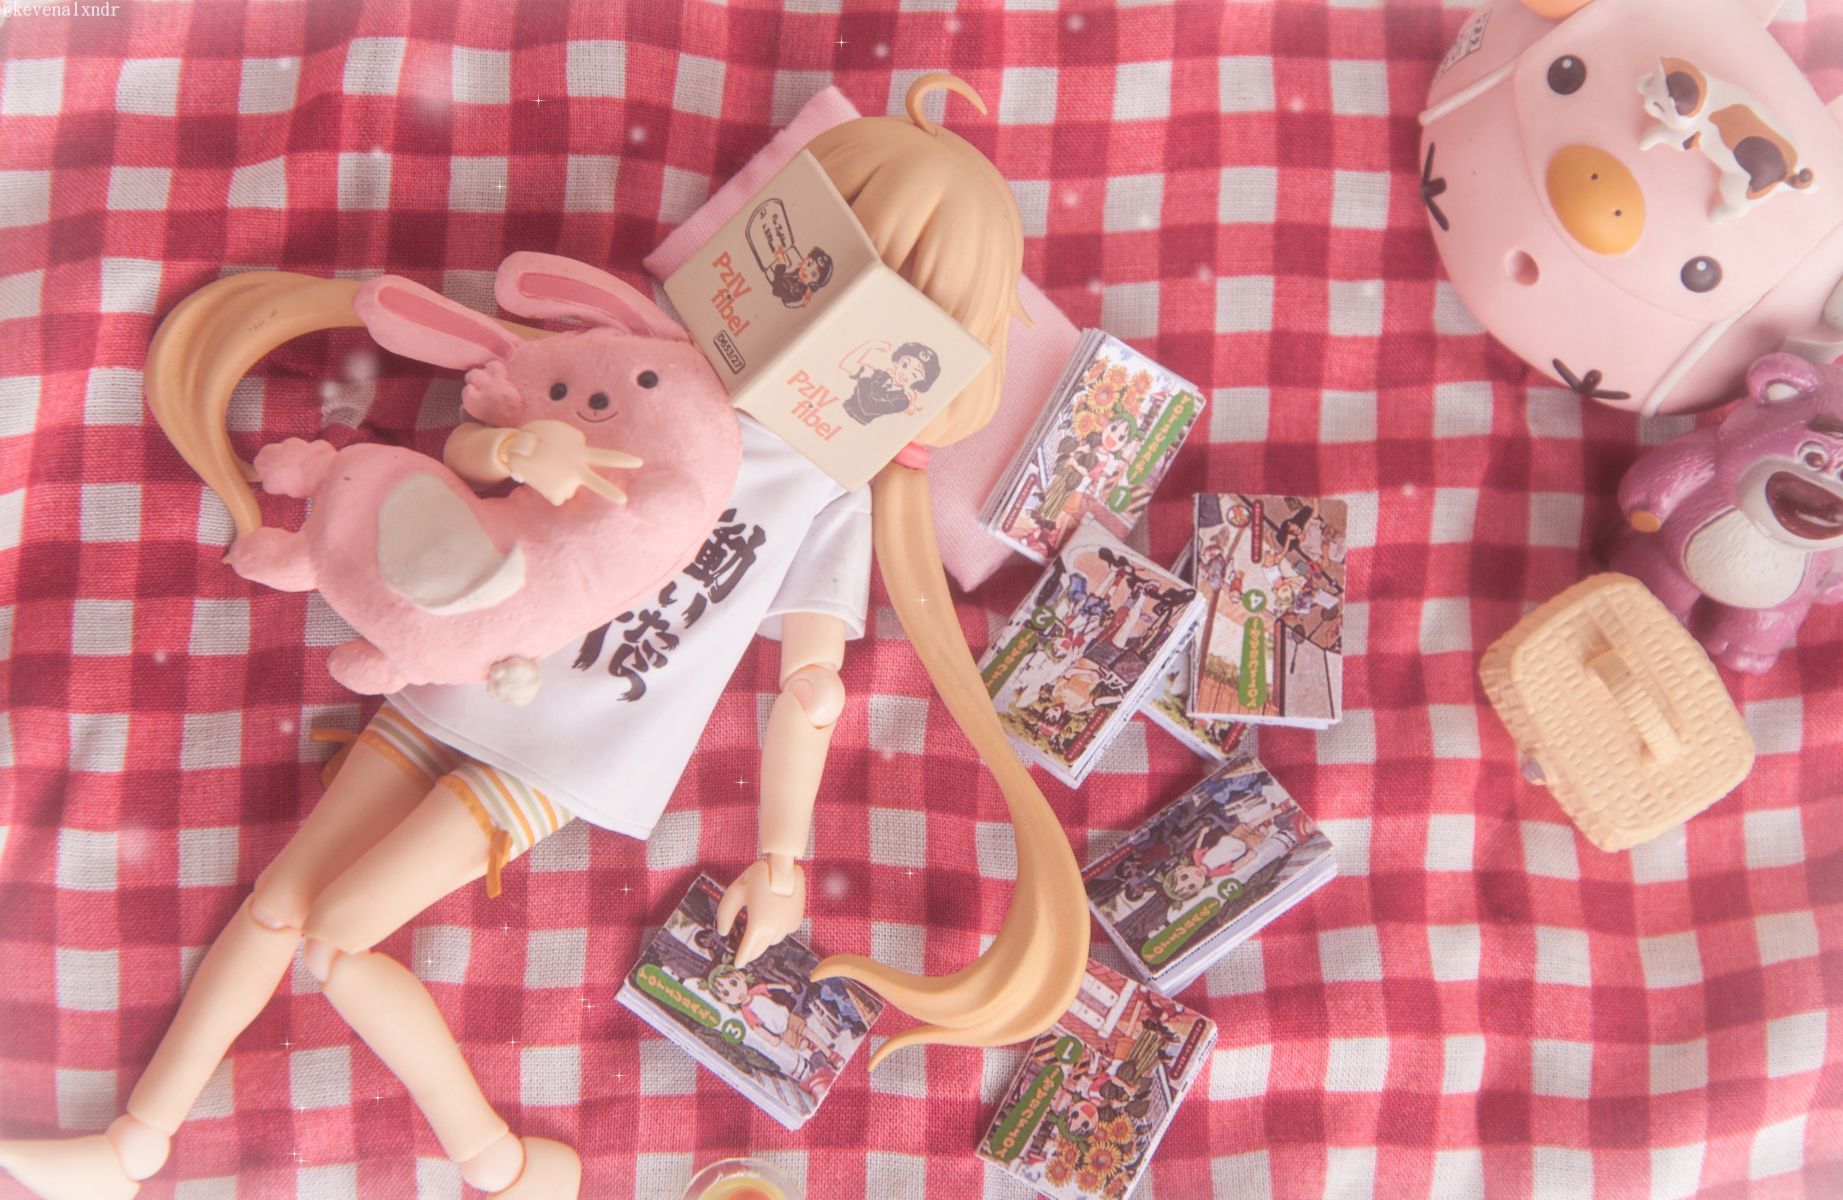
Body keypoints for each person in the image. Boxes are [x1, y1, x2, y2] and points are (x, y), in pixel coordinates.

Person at [0, 74, 1090, 1200]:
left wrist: (783, 856)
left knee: (337, 938)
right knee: (283, 898)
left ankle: (506, 1166)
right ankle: (134, 1145)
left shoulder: (827, 485)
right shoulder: (654, 350)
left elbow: (810, 681)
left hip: (576, 733)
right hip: (468, 645)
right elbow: (484, 432)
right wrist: (518, 452)